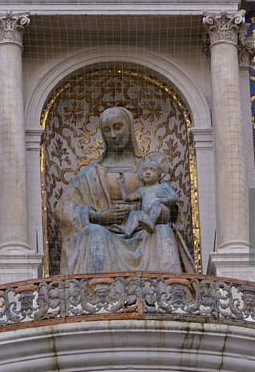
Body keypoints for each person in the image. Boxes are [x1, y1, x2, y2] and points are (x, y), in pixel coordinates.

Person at [54, 106, 193, 274]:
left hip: (143, 231)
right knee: (94, 232)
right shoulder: (90, 173)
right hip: (105, 231)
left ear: (129, 128)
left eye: (118, 127)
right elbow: (64, 209)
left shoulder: (148, 168)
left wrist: (159, 210)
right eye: (107, 130)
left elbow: (169, 208)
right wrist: (98, 216)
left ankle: (168, 291)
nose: (113, 135)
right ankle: (101, 291)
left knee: (163, 231)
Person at [120, 158, 179, 237]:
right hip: (147, 216)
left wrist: (163, 200)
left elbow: (175, 197)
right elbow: (127, 198)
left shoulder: (164, 186)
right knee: (135, 214)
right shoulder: (142, 190)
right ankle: (126, 233)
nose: (148, 172)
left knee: (156, 204)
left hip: (162, 214)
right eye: (145, 170)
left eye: (152, 170)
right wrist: (121, 185)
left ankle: (151, 223)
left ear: (159, 173)